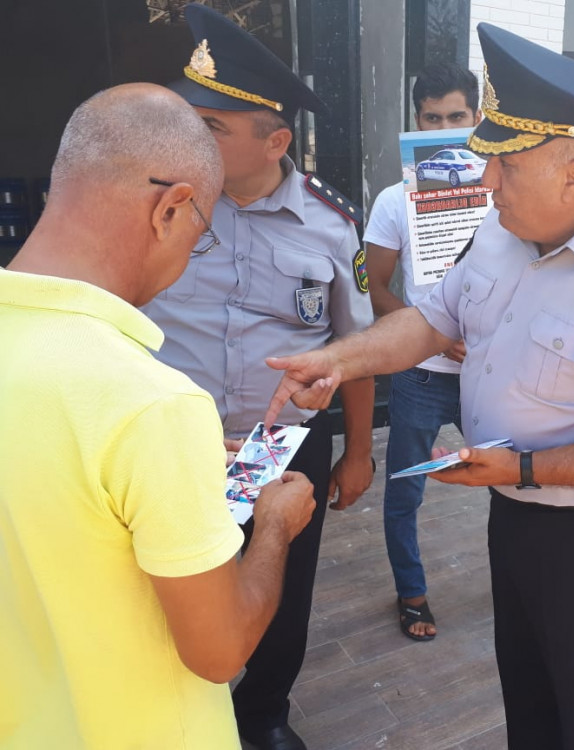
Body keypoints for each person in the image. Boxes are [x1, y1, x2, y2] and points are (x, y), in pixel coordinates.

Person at [263, 22, 574, 750]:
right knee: (528, 697)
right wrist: (342, 361)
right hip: (511, 507)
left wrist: (525, 468)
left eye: (506, 165)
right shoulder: (503, 230)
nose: (485, 181)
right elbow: (432, 320)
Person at [0, 83, 316, 749]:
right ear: (170, 209)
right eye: (200, 233)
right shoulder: (152, 404)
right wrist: (276, 529)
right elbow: (221, 651)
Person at [141, 6, 375, 750]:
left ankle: (265, 713)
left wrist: (360, 452)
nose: (187, 137)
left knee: (281, 589)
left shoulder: (331, 226)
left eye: (210, 126)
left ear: (275, 140)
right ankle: (178, 712)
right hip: (172, 445)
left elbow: (356, 347)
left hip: (278, 447)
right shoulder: (162, 202)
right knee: (170, 585)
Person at [366, 62, 482, 641]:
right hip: (419, 373)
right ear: (416, 121)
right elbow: (379, 292)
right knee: (406, 489)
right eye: (432, 118)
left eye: (455, 117)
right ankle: (411, 594)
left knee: (517, 481)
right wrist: (432, 332)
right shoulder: (393, 201)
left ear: (477, 118)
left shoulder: (507, 194)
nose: (443, 126)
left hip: (490, 371)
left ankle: (523, 580)